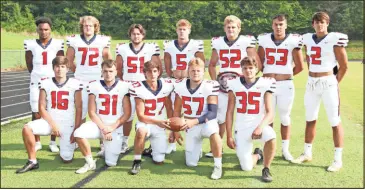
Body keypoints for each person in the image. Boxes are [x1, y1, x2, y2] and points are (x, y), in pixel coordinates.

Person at [291, 12, 349, 172]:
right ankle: (307, 153)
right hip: (311, 83)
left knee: (334, 121)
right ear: (312, 24)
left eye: (322, 22)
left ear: (327, 24)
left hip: (328, 82)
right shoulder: (308, 39)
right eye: (316, 22)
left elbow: (344, 66)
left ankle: (338, 159)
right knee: (310, 118)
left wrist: (334, 82)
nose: (319, 25)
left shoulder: (334, 39)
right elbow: (309, 59)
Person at [16, 56, 82, 174]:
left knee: (67, 159)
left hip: (67, 123)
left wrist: (75, 131)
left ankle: (69, 146)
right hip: (49, 121)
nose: (59, 69)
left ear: (67, 69)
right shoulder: (45, 82)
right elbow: (41, 107)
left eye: (62, 67)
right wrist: (53, 125)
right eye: (57, 66)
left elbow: (79, 108)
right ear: (53, 68)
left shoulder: (75, 83)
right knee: (27, 128)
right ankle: (32, 161)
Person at [207, 15, 261, 157]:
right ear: (224, 28)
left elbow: (256, 64)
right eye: (228, 27)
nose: (231, 30)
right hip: (224, 86)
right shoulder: (218, 43)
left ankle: (252, 146)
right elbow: (212, 64)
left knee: (246, 115)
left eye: (233, 27)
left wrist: (248, 80)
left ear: (239, 28)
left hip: (242, 85)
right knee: (222, 117)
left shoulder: (246, 41)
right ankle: (217, 147)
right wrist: (215, 81)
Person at [257, 14, 305, 161]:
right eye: (276, 24)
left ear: (286, 25)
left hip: (285, 85)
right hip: (268, 84)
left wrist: (286, 75)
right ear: (272, 25)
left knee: (284, 117)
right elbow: (259, 63)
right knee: (267, 117)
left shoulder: (293, 41)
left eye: (281, 24)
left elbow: (300, 66)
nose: (278, 27)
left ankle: (285, 149)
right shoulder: (264, 40)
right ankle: (267, 147)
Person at [73, 60, 131, 174]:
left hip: (114, 127)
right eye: (105, 71)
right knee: (78, 133)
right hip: (98, 125)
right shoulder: (94, 85)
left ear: (116, 72)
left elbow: (127, 114)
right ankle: (90, 163)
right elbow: (92, 112)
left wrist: (111, 128)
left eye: (111, 71)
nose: (108, 74)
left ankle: (106, 149)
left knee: (111, 163)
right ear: (101, 72)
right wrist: (104, 129)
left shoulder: (124, 86)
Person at [66, 15, 112, 157]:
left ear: (95, 27)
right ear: (82, 26)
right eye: (85, 25)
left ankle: (103, 143)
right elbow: (68, 60)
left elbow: (108, 60)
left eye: (90, 25)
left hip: (97, 80)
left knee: (99, 112)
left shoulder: (102, 40)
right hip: (80, 80)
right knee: (80, 111)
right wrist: (79, 72)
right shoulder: (74, 40)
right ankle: (79, 139)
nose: (88, 28)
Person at [226, 57, 277, 182]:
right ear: (241, 70)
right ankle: (258, 154)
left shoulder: (265, 83)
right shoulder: (234, 84)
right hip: (241, 128)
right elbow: (230, 111)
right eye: (245, 68)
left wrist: (260, 127)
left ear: (256, 69)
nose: (248, 71)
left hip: (259, 124)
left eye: (251, 68)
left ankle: (266, 169)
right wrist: (229, 135)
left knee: (271, 135)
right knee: (246, 167)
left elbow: (270, 112)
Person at [172, 58, 222, 180]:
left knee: (214, 132)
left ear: (203, 71)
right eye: (193, 70)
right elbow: (177, 111)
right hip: (190, 126)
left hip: (205, 122)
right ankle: (197, 150)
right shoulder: (180, 86)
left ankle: (218, 165)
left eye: (198, 70)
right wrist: (175, 130)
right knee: (191, 163)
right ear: (188, 71)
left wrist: (194, 121)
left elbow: (212, 113)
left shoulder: (210, 86)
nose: (195, 73)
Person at [116, 24, 161, 154]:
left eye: (138, 33)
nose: (136, 36)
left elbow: (158, 67)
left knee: (149, 115)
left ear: (143, 35)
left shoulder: (151, 47)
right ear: (130, 35)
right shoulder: (122, 48)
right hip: (128, 86)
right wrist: (125, 83)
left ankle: (153, 142)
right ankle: (124, 141)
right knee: (127, 116)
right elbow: (118, 69)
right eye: (134, 34)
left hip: (145, 87)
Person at [163, 19, 205, 154]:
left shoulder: (196, 45)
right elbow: (167, 64)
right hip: (175, 82)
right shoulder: (169, 45)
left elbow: (201, 64)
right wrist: (172, 77)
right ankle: (172, 139)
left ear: (189, 30)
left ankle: (195, 142)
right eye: (180, 29)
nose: (182, 31)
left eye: (184, 29)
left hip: (189, 82)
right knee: (172, 111)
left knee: (190, 111)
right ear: (176, 30)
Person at [24, 17, 64, 153]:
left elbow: (60, 62)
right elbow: (29, 64)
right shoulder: (30, 44)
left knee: (53, 112)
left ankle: (53, 142)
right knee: (36, 112)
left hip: (52, 83)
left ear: (50, 29)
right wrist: (38, 75)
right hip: (36, 82)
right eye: (41, 29)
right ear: (37, 30)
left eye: (46, 29)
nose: (43, 32)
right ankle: (37, 141)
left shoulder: (58, 44)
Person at [128, 61, 173, 175]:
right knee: (141, 131)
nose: (152, 74)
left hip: (160, 124)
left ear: (158, 72)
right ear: (144, 73)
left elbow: (169, 107)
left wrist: (172, 129)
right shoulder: (138, 88)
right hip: (146, 123)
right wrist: (158, 122)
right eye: (149, 71)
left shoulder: (166, 86)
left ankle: (151, 150)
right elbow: (141, 116)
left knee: (159, 161)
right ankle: (137, 160)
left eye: (155, 71)